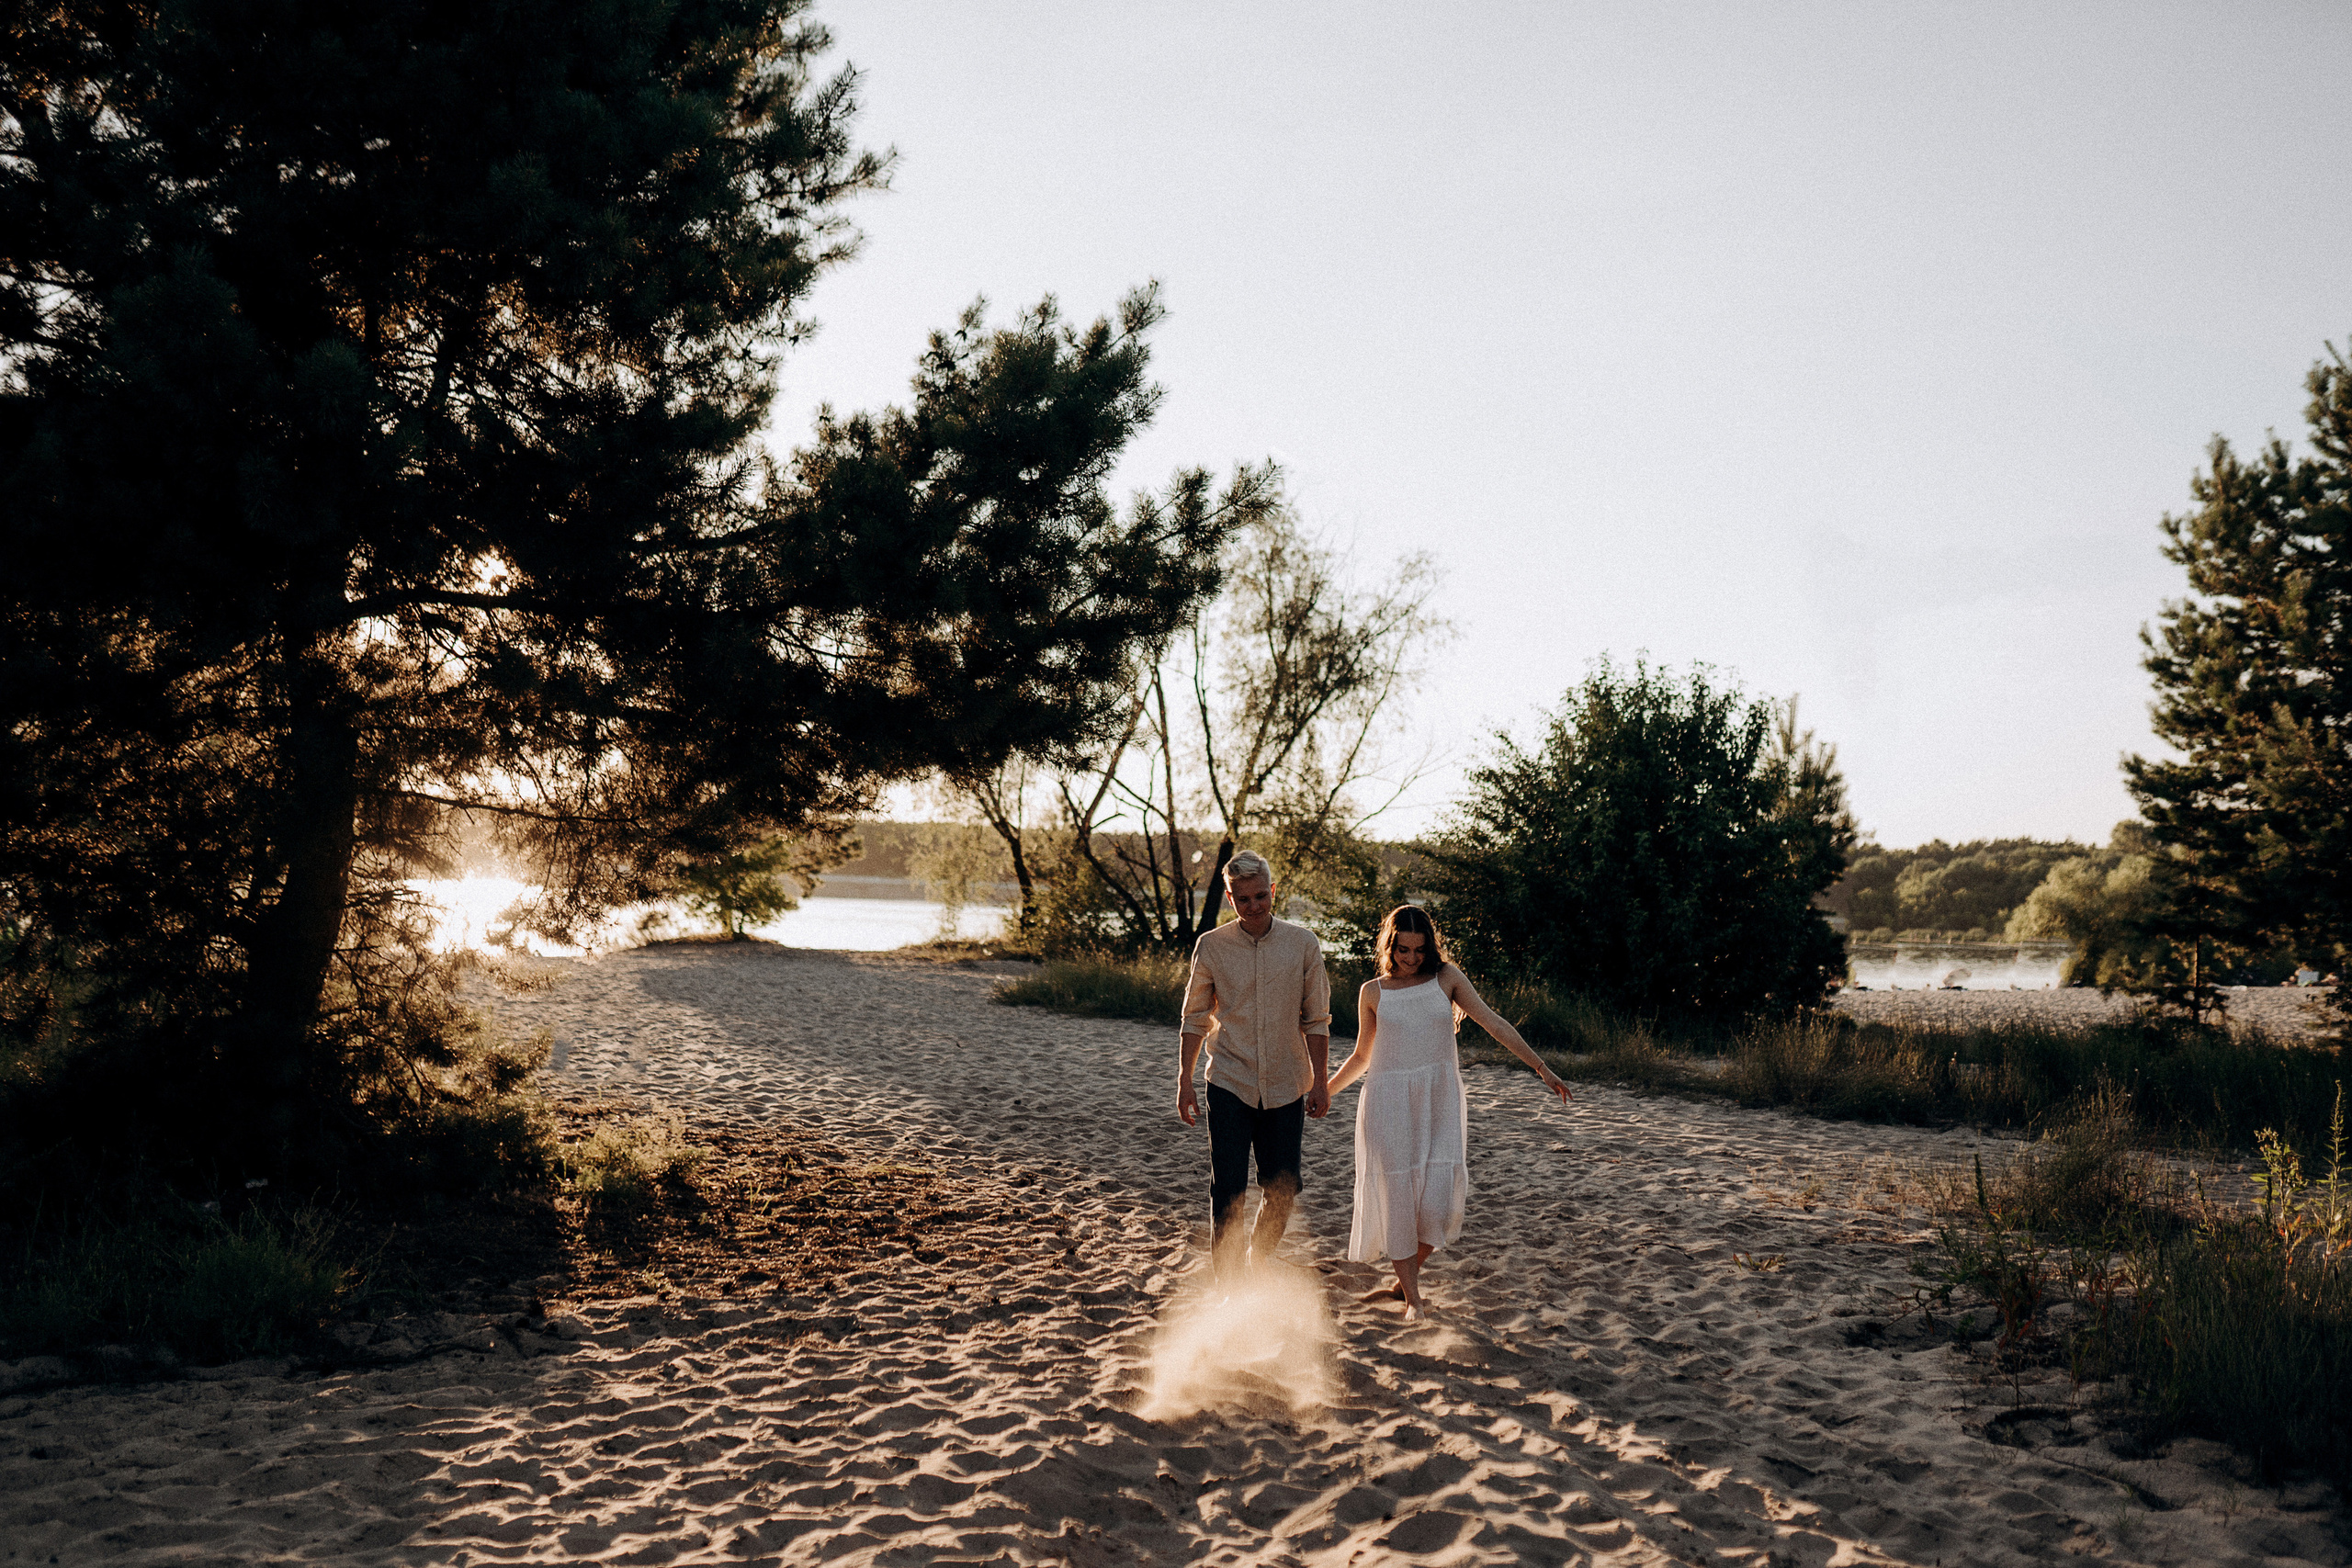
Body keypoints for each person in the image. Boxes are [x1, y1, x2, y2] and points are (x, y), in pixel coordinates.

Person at [1327, 904, 1569, 1320]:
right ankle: (1414, 1302)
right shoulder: (1373, 992)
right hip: (1387, 1103)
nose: (1411, 957)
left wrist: (1541, 1068)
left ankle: (1403, 1282)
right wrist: (1324, 1091)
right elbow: (1362, 1055)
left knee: (1436, 1205)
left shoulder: (1447, 979)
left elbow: (1494, 1023)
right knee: (1399, 1197)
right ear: (1390, 944)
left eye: (1419, 950)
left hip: (1439, 1099)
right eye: (1403, 949)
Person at [1176, 850, 1333, 1281]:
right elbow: (1194, 1018)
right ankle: (1228, 1285)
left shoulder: (1303, 945)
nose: (1254, 906)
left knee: (1283, 1189)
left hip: (1287, 1084)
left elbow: (1316, 1020)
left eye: (1261, 896)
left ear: (1273, 891)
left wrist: (1321, 1083)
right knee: (1228, 1190)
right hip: (1230, 1080)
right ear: (1230, 899)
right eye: (1243, 899)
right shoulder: (1211, 946)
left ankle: (1256, 1259)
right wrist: (1184, 1081)